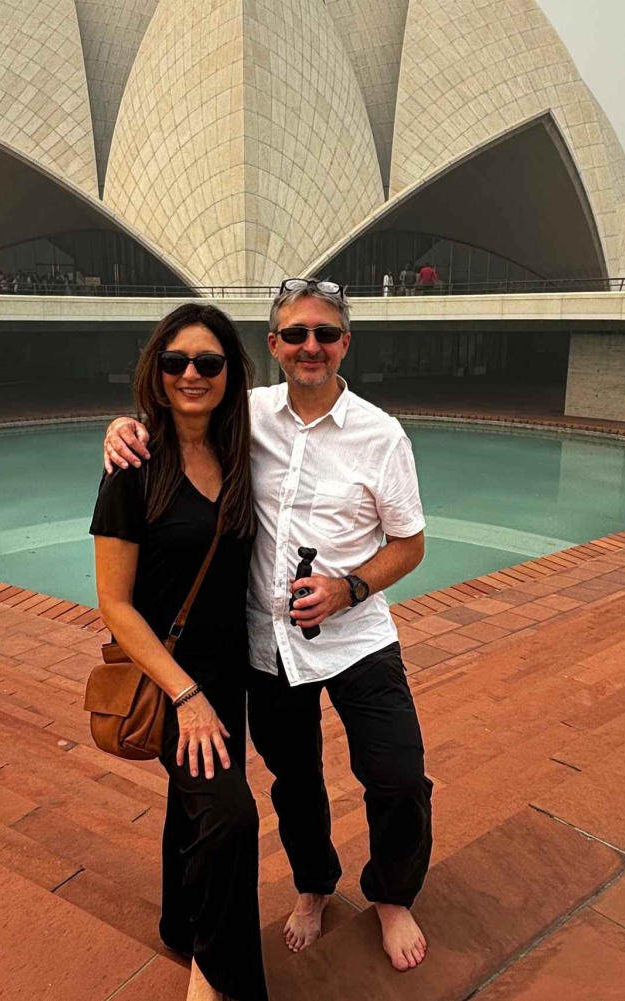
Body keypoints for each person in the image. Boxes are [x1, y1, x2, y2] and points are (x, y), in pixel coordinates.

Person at [105, 279, 433, 973]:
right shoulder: (244, 414)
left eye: (324, 333)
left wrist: (348, 588)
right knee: (295, 779)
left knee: (399, 776)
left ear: (345, 343)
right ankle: (314, 884)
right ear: (274, 345)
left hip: (358, 637)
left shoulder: (381, 435)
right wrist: (123, 426)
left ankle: (392, 893)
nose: (311, 346)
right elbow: (178, 410)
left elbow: (410, 544)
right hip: (270, 643)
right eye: (296, 334)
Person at [91, 303, 268, 1001]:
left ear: (230, 374)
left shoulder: (241, 454)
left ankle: (180, 922)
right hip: (171, 679)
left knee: (193, 803)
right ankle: (217, 976)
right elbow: (114, 604)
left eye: (208, 362)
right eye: (176, 362)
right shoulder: (133, 466)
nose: (191, 374)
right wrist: (186, 695)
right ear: (156, 372)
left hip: (231, 673)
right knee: (230, 815)